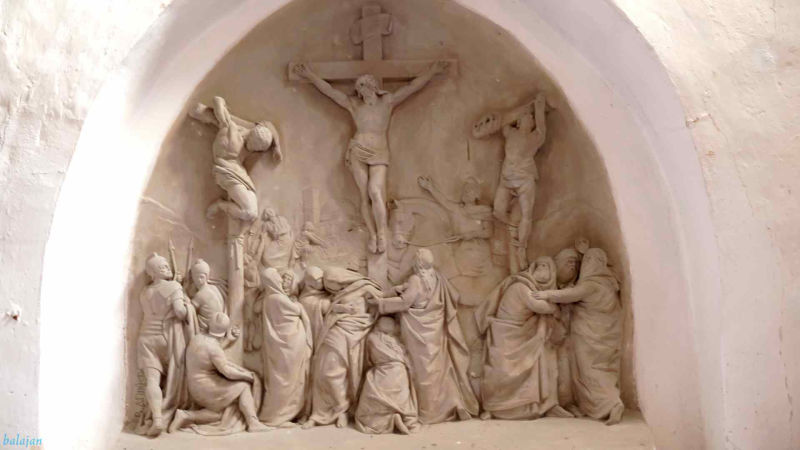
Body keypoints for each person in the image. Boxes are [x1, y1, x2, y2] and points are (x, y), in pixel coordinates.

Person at [293, 61, 449, 254]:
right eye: (359, 89)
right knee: (364, 195)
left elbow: (412, 87)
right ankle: (373, 235)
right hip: (358, 150)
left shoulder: (387, 102)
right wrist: (310, 75)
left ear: (373, 87)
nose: (362, 92)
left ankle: (382, 232)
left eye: (364, 87)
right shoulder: (354, 105)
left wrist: (432, 71)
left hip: (379, 152)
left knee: (375, 191)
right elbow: (330, 92)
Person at [369, 249, 479, 424]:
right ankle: (452, 403)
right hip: (435, 330)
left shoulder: (416, 279)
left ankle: (429, 413)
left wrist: (380, 304)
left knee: (422, 372)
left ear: (417, 262)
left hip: (417, 331)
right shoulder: (438, 278)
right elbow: (454, 296)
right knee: (439, 370)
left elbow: (405, 302)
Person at [534, 248, 624, 425]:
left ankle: (609, 404)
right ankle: (603, 402)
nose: (580, 266)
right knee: (604, 370)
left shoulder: (591, 285)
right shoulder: (609, 283)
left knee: (589, 372)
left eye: (586, 262)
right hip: (607, 338)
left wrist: (546, 294)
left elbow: (569, 295)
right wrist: (583, 250)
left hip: (589, 338)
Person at [475, 256, 572, 420]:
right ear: (532, 269)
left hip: (521, 333)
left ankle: (539, 404)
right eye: (540, 266)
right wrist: (553, 305)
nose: (543, 270)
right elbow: (540, 306)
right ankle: (494, 407)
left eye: (547, 267)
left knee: (541, 352)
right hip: (506, 333)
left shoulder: (529, 287)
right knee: (500, 372)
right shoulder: (522, 287)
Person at [303, 268, 383, 429]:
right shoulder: (336, 294)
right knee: (322, 371)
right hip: (335, 330)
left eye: (329, 283)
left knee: (340, 372)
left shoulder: (365, 287)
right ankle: (319, 413)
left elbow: (382, 302)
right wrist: (339, 309)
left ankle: (342, 410)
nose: (327, 286)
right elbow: (326, 307)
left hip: (356, 332)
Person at [169, 313, 270, 435]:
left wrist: (228, 340)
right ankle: (253, 423)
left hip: (195, 387)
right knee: (244, 387)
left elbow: (210, 354)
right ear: (224, 331)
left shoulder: (197, 338)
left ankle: (185, 415)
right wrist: (248, 376)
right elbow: (227, 371)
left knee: (221, 414)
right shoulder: (213, 348)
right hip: (206, 388)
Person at [135, 253, 196, 437]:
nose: (167, 267)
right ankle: (170, 410)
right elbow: (180, 312)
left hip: (146, 337)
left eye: (167, 265)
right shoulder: (174, 287)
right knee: (174, 380)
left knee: (152, 380)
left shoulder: (145, 292)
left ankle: (157, 419)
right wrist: (187, 302)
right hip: (167, 337)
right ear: (153, 272)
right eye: (162, 267)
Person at [491, 93, 548, 270]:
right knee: (497, 211)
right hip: (507, 179)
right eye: (526, 117)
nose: (530, 119)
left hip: (525, 180)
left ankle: (521, 248)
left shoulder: (534, 138)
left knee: (526, 216)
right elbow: (503, 122)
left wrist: (538, 108)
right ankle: (512, 226)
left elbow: (542, 128)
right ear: (519, 121)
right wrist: (521, 109)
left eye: (531, 118)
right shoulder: (511, 133)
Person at [204, 96, 281, 222]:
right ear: (250, 136)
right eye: (253, 145)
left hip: (241, 174)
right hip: (227, 173)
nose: (252, 150)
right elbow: (217, 102)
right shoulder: (231, 131)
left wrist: (277, 146)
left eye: (256, 149)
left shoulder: (249, 138)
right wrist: (220, 103)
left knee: (253, 213)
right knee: (249, 212)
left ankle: (223, 205)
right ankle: (219, 205)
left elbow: (268, 125)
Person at [258, 268, 313, 427]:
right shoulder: (277, 298)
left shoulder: (269, 298)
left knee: (283, 380)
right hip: (288, 347)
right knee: (286, 381)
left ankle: (281, 414)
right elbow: (297, 310)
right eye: (278, 277)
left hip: (284, 347)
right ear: (272, 281)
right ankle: (277, 417)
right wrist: (298, 304)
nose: (281, 280)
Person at [355, 316, 421, 435]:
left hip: (387, 370)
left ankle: (389, 420)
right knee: (400, 398)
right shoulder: (381, 338)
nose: (391, 326)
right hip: (397, 370)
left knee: (374, 399)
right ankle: (401, 418)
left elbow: (371, 357)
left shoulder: (376, 338)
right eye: (388, 323)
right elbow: (401, 356)